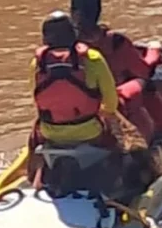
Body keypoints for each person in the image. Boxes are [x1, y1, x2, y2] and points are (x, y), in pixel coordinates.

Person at [27, 11, 154, 184]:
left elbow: (37, 100)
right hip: (91, 132)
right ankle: (126, 184)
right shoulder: (92, 58)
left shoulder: (37, 63)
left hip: (50, 132)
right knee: (125, 141)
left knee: (34, 133)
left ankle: (32, 176)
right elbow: (111, 103)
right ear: (73, 34)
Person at [69, 0, 162, 137]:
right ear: (98, 11)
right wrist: (154, 50)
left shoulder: (66, 46)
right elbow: (144, 70)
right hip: (113, 102)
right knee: (146, 84)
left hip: (77, 107)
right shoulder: (115, 42)